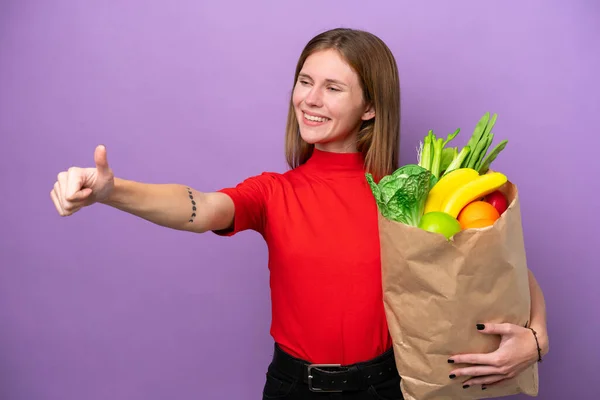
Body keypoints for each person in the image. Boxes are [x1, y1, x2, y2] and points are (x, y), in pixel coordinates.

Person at [50, 28, 549, 399]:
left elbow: (496, 269)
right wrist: (112, 192)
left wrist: (536, 338)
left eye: (333, 87)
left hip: (390, 386)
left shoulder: (408, 195)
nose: (309, 99)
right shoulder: (274, 193)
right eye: (305, 81)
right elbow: (199, 208)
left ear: (370, 107)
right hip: (293, 387)